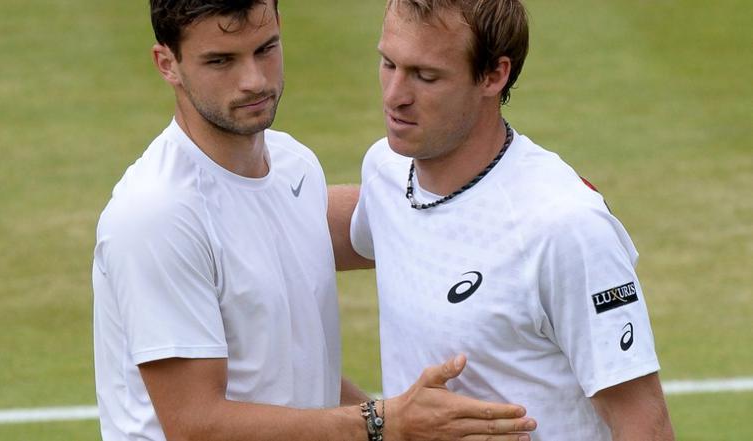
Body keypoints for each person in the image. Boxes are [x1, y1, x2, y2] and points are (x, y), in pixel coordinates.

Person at [92, 1, 538, 440]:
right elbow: (196, 426)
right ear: (167, 63)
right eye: (221, 60)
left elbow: (300, 380)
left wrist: (528, 199)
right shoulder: (157, 215)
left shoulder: (293, 166)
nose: (253, 80)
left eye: (265, 49)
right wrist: (387, 423)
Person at [343, 0, 676, 439]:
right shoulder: (386, 171)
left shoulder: (565, 226)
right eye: (388, 64)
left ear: (494, 76)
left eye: (426, 76)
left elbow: (645, 426)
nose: (394, 95)